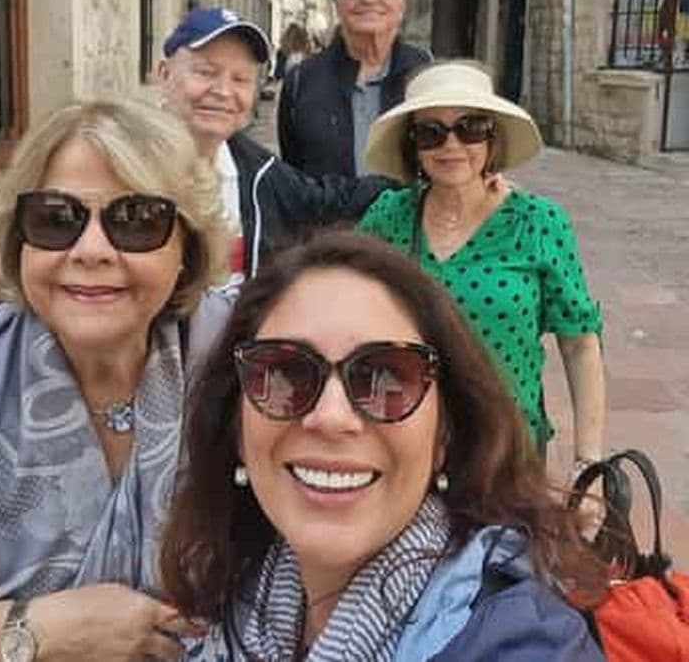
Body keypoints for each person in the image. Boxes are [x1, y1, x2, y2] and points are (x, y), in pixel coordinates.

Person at [160, 229, 607, 662]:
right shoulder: (228, 600)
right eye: (285, 374)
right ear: (237, 428)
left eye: (388, 379)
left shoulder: (520, 642)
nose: (332, 418)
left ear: (444, 438)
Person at [0, 98, 230, 662]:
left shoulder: (237, 368)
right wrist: (37, 630)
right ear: (21, 242)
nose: (91, 250)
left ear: (186, 249)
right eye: (56, 219)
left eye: (138, 220)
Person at [358, 60, 605, 467]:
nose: (452, 146)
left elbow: (579, 344)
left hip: (506, 448)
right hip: (405, 443)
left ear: (493, 139)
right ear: (413, 147)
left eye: (470, 128)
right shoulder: (388, 217)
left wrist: (588, 461)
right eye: (431, 133)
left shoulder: (538, 222)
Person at [157, 7, 390, 364]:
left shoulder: (260, 174)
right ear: (165, 74)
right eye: (205, 72)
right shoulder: (125, 168)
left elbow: (331, 201)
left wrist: (431, 180)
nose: (222, 91)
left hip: (229, 394)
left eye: (240, 79)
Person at [278, 0, 432, 178]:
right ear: (337, 3)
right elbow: (294, 175)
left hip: (411, 214)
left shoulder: (425, 73)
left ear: (402, 5)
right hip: (329, 214)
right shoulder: (302, 80)